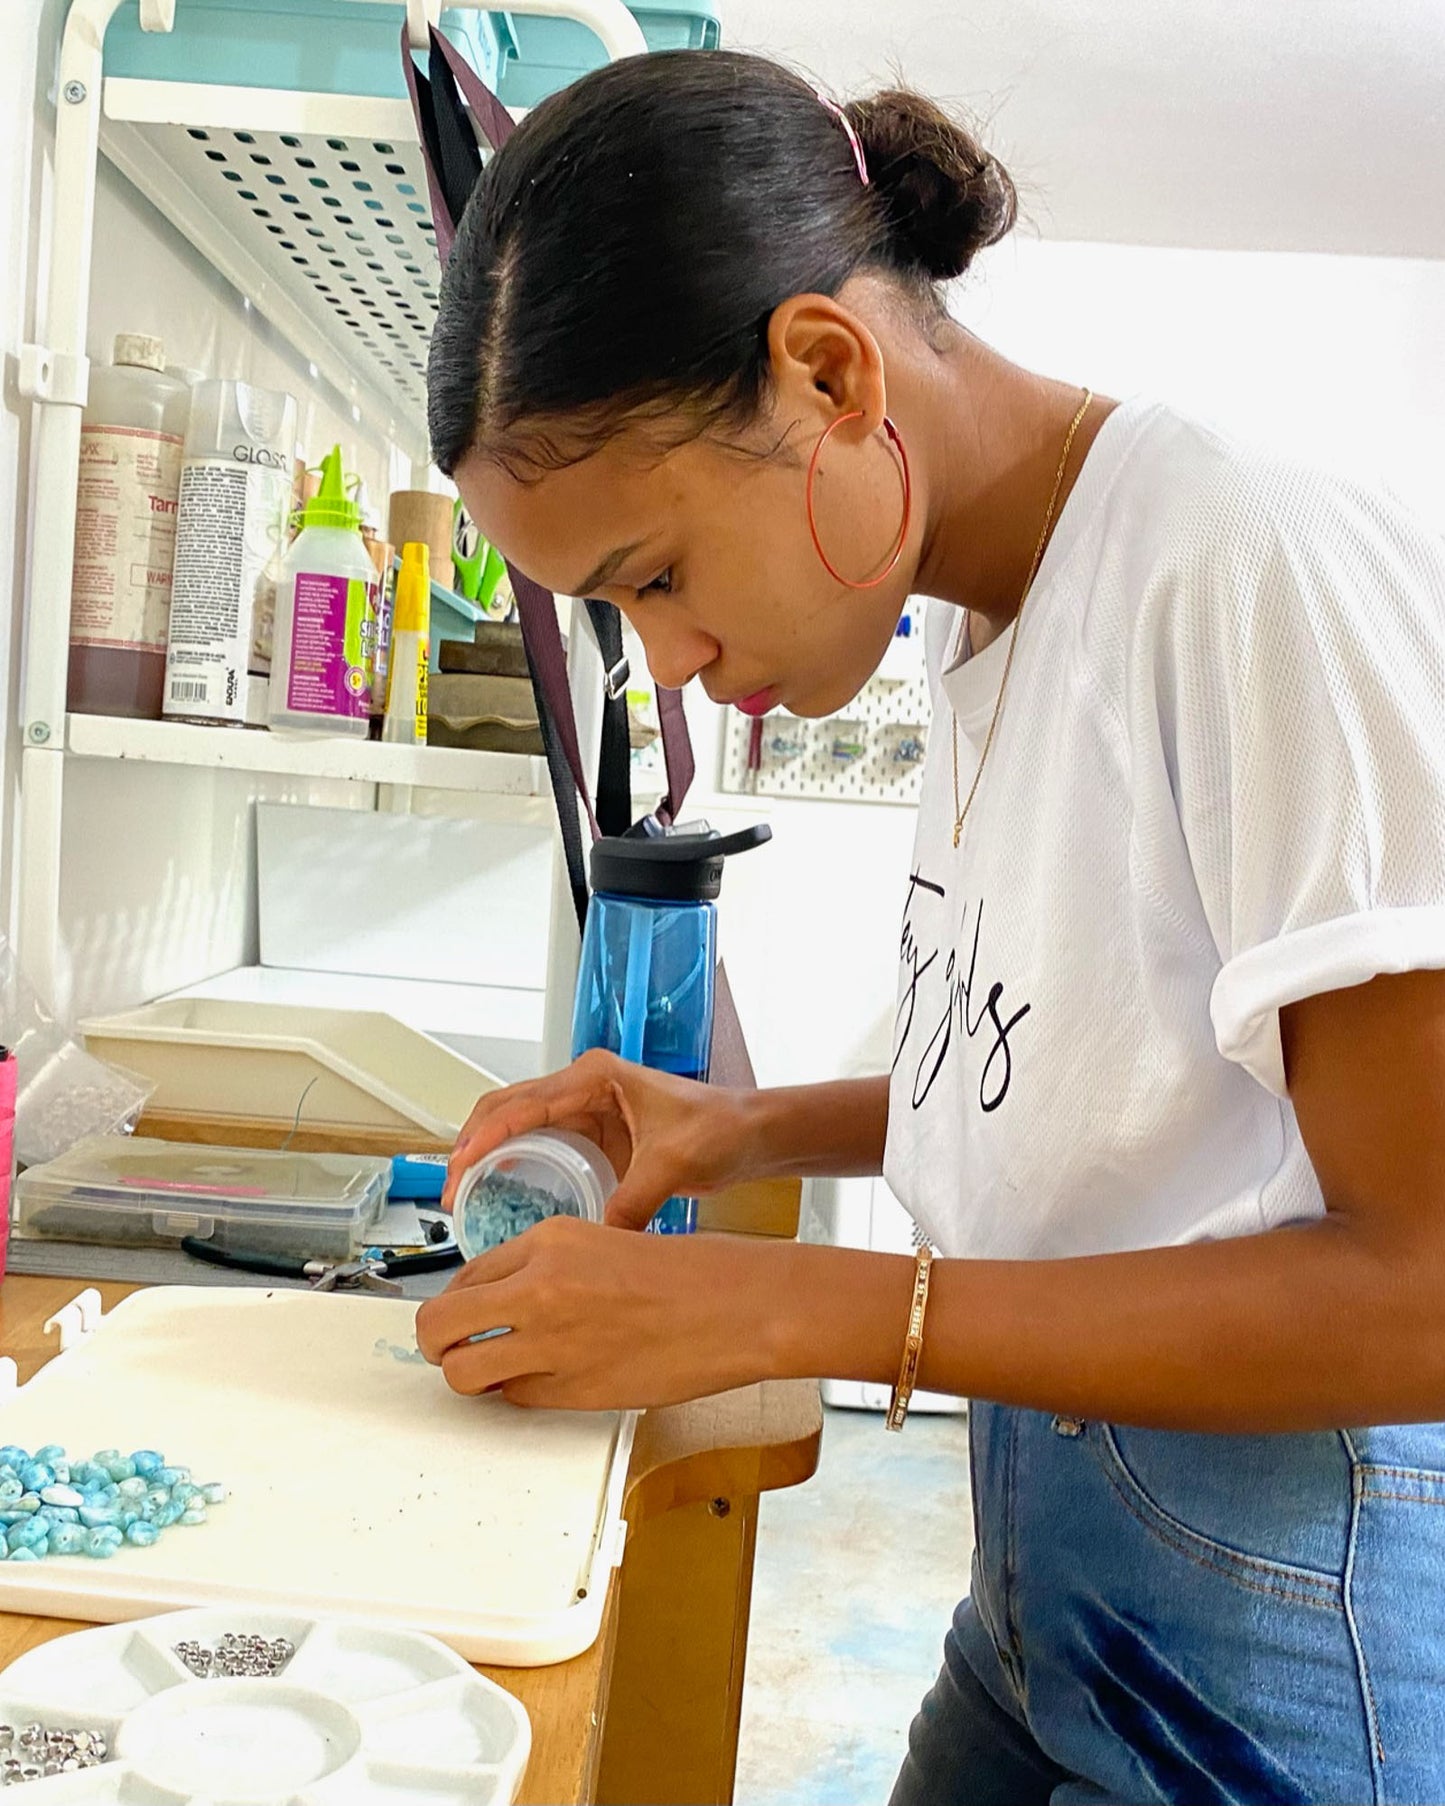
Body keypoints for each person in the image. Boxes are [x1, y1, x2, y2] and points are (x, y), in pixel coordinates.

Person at [414, 47, 1445, 1803]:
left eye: (653, 576)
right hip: (1043, 1573)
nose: (662, 659)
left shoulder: (1239, 570)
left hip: (1281, 1630)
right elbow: (1107, 1086)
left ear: (826, 372)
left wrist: (786, 1304)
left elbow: (1421, 1282)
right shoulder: (982, 621)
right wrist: (742, 1126)